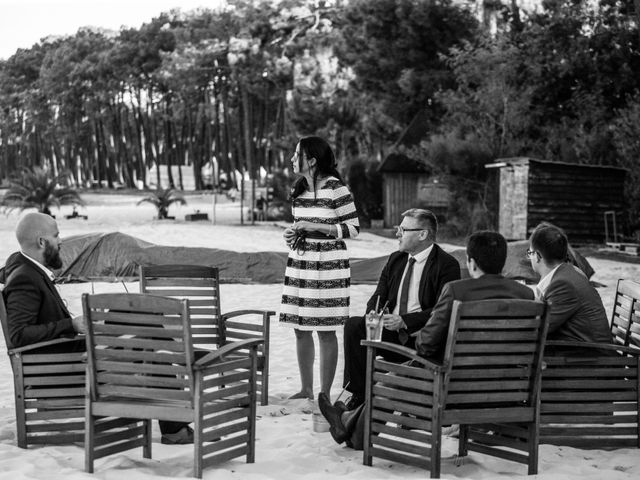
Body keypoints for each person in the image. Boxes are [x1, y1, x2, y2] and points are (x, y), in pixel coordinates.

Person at [319, 230, 536, 447]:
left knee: (394, 377)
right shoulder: (526, 295)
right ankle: (348, 424)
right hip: (509, 387)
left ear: (471, 262)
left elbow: (426, 342)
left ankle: (351, 427)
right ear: (503, 261)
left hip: (454, 388)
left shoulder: (457, 290)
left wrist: (418, 341)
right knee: (402, 373)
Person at [0, 212, 194, 445]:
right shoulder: (25, 278)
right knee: (147, 339)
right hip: (58, 369)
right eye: (56, 235)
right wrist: (70, 324)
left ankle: (179, 382)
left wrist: (82, 324)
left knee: (139, 315)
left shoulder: (23, 268)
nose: (61, 241)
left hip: (67, 356)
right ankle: (184, 377)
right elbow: (19, 335)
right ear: (42, 242)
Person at [342, 208, 461, 409]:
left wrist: (405, 320)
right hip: (389, 332)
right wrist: (373, 312)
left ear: (422, 234)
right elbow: (378, 295)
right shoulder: (395, 259)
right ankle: (359, 396)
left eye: (403, 229)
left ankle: (367, 406)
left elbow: (443, 311)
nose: (397, 233)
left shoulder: (446, 265)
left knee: (362, 328)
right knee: (354, 326)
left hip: (420, 339)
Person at [279, 136, 359, 400]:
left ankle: (324, 393)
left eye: (296, 154)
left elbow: (353, 228)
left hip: (329, 264)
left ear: (311, 160)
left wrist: (317, 228)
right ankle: (306, 390)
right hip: (300, 262)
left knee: (325, 328)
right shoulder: (298, 189)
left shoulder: (337, 189)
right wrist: (292, 234)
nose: (292, 158)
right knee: (300, 327)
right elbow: (300, 225)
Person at [527, 222, 613, 352]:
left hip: (592, 360)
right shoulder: (570, 271)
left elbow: (539, 328)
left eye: (530, 253)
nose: (529, 257)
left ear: (538, 256)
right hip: (581, 351)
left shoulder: (563, 284)